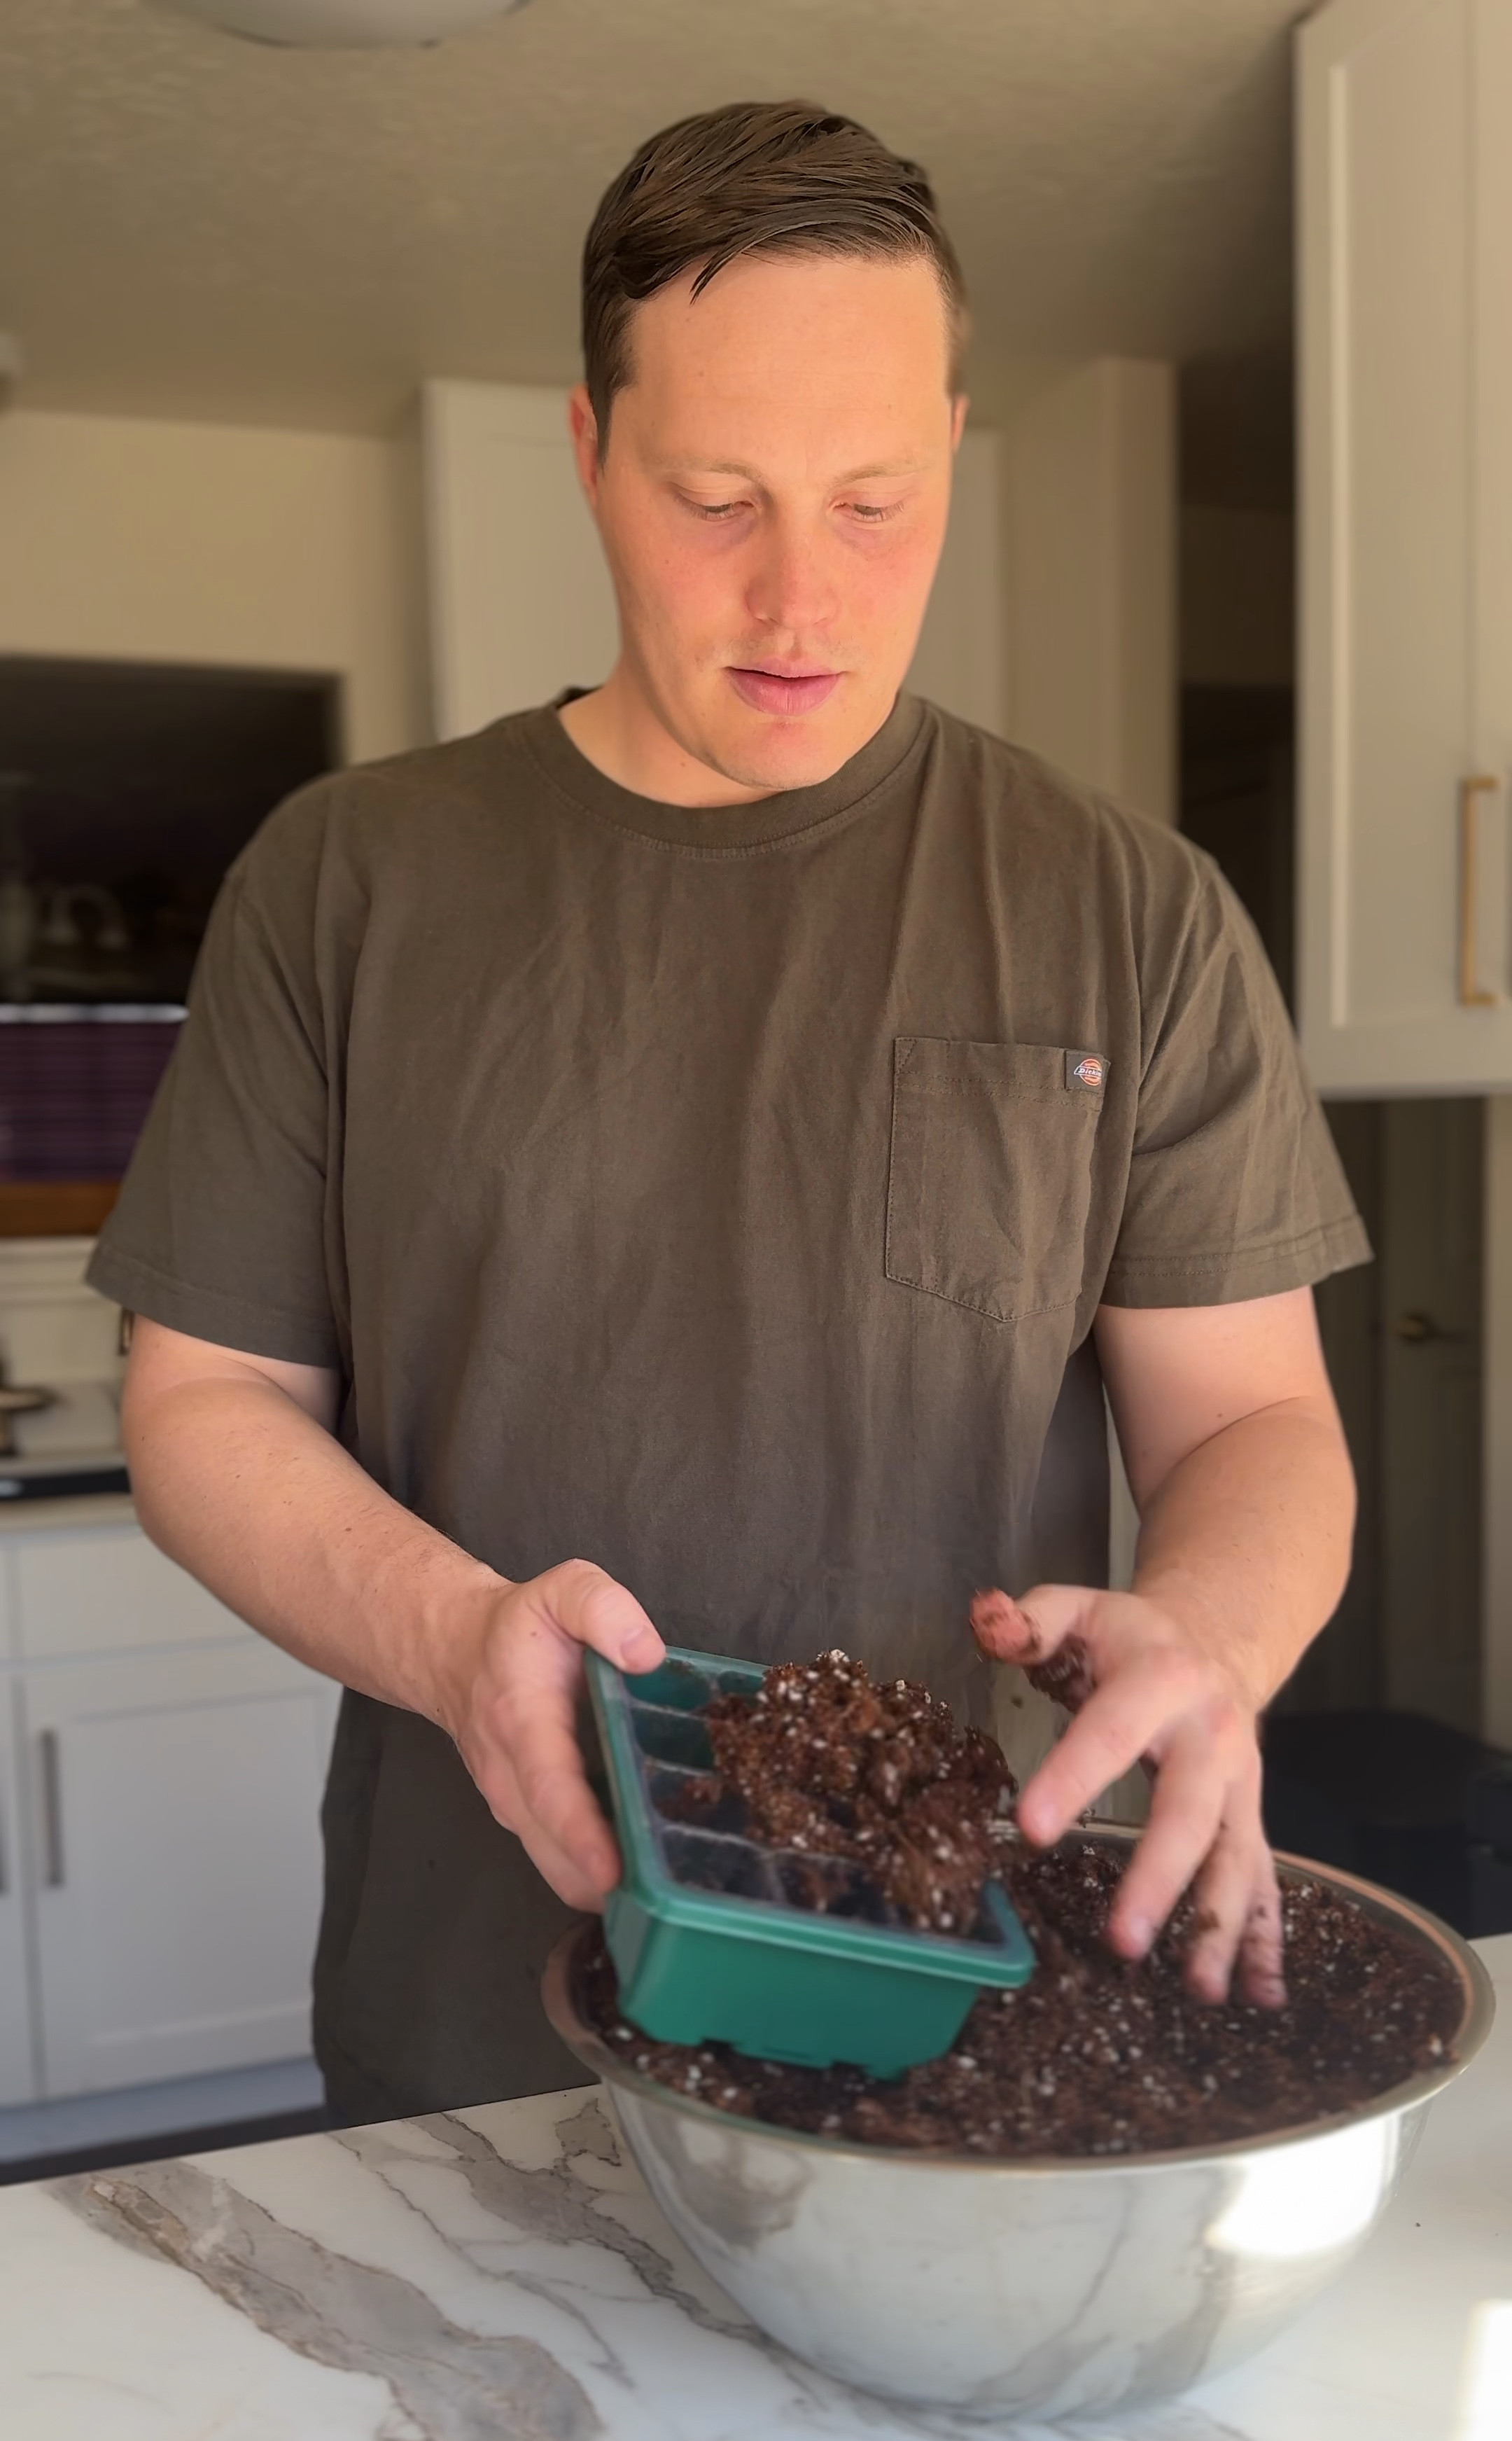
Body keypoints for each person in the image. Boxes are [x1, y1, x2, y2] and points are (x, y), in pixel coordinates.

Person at [91, 101, 1367, 2126]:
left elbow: (1255, 1426)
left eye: (872, 505)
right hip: (476, 2033)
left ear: (949, 447)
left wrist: (1206, 1635)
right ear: (590, 457)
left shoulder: (1128, 913)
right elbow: (203, 1404)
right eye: (715, 498)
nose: (800, 604)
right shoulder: (352, 880)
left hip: (960, 2018)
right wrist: (449, 1635)